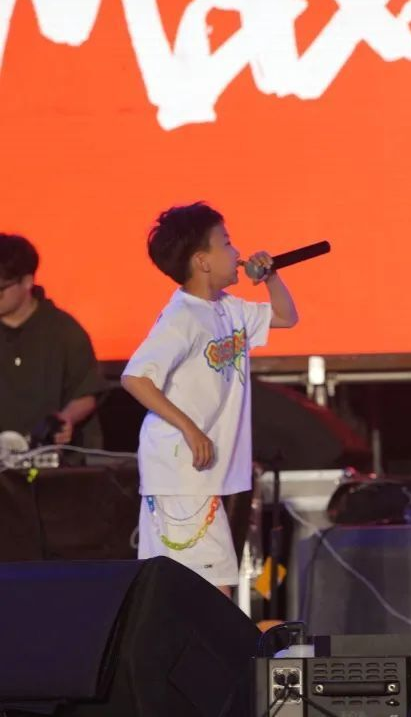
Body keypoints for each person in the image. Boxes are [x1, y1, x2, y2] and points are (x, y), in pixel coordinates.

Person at [121, 203, 298, 595]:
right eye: (227, 243)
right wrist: (190, 429)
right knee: (211, 593)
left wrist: (272, 276)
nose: (237, 253)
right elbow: (135, 377)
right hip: (180, 474)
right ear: (202, 261)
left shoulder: (227, 308)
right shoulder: (182, 316)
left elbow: (286, 317)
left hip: (196, 479)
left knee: (191, 595)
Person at [0, 233, 105, 449]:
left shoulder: (64, 331)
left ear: (27, 281)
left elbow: (87, 391)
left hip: (53, 459)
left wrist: (67, 418)